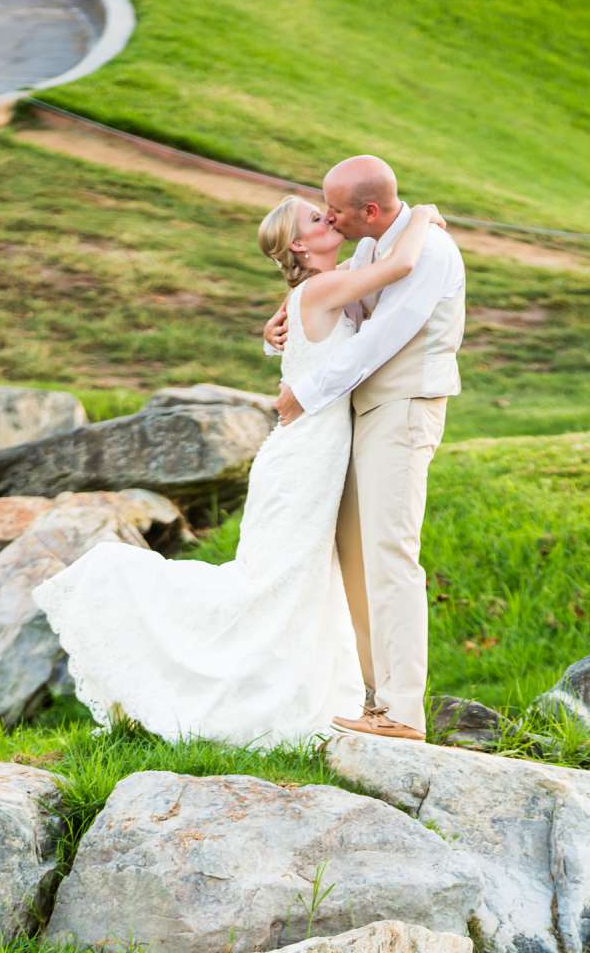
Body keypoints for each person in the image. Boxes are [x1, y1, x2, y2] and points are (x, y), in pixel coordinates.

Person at [34, 194, 445, 748]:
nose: (329, 218)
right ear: (299, 243)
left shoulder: (314, 287)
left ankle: (300, 697)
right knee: (269, 581)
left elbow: (364, 266)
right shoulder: (318, 290)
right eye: (318, 218)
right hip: (302, 459)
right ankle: (163, 634)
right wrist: (422, 215)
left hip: (310, 453)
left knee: (296, 582)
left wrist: (273, 323)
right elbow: (397, 265)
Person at [269, 153, 467, 743]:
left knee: (391, 553)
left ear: (370, 210)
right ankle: (373, 697)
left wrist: (303, 393)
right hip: (361, 415)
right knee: (355, 555)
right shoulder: (372, 249)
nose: (328, 216)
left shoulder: (429, 251)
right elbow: (340, 317)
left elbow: (380, 340)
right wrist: (279, 318)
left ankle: (404, 711)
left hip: (404, 409)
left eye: (334, 208)